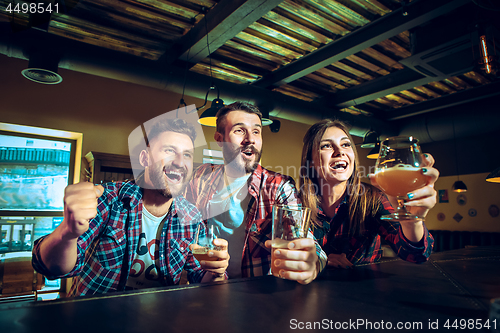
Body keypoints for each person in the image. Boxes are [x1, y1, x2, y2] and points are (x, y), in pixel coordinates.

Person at [32, 118, 229, 296]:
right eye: (169, 150)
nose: (179, 162)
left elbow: (201, 278)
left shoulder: (192, 217)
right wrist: (67, 233)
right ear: (144, 159)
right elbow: (53, 268)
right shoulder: (109, 199)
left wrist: (216, 271)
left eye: (187, 154)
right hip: (94, 320)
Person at [186, 102, 327, 284]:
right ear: (219, 139)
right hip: (209, 287)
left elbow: (306, 240)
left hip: (256, 294)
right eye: (239, 130)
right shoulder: (202, 177)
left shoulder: (278, 186)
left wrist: (312, 262)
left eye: (256, 131)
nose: (250, 139)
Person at [298, 119, 436, 268]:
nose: (340, 151)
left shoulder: (373, 199)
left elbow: (415, 255)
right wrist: (320, 261)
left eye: (345, 144)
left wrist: (412, 221)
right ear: (310, 161)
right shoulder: (295, 203)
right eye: (326, 146)